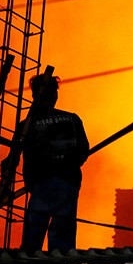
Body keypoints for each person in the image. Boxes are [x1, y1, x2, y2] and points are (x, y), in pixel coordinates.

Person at [18, 74, 89, 253]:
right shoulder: (72, 119)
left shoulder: (27, 125)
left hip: (41, 183)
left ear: (34, 95)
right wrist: (67, 164)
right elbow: (83, 151)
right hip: (68, 182)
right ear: (54, 95)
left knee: (33, 234)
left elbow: (15, 156)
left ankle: (27, 263)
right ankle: (60, 263)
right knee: (62, 235)